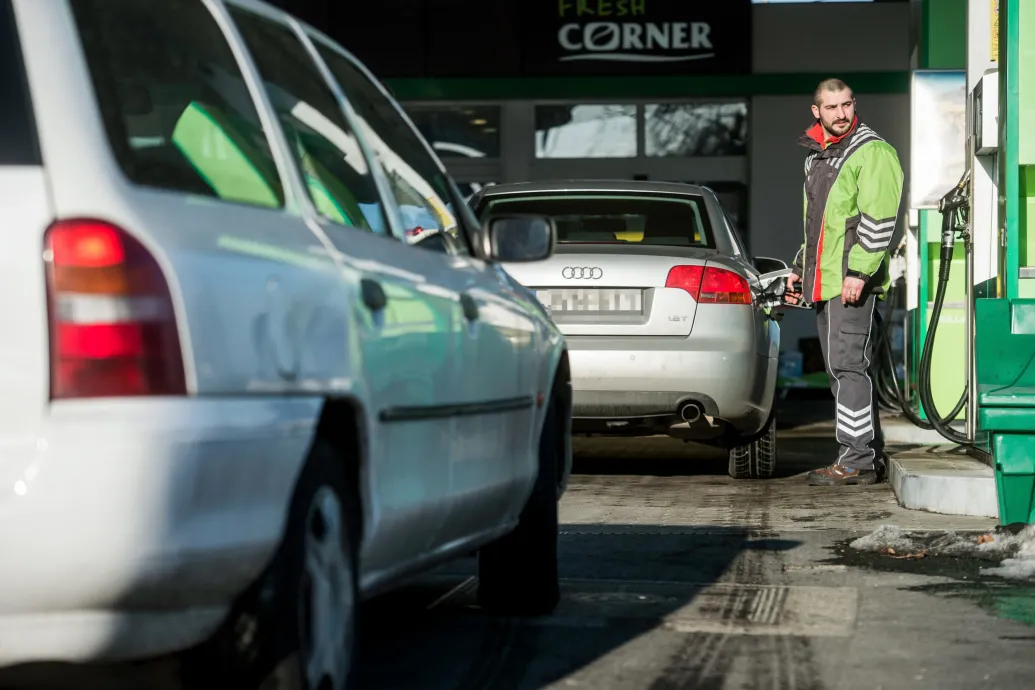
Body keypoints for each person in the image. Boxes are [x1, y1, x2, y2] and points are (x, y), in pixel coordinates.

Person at [784, 78, 904, 486]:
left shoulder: (872, 152)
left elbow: (879, 218)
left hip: (850, 281)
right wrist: (802, 268)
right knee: (842, 368)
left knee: (848, 366)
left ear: (854, 105)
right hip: (827, 280)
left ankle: (857, 461)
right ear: (816, 111)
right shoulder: (818, 158)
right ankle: (856, 454)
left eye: (846, 104)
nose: (841, 113)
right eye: (832, 107)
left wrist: (860, 272)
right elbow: (816, 226)